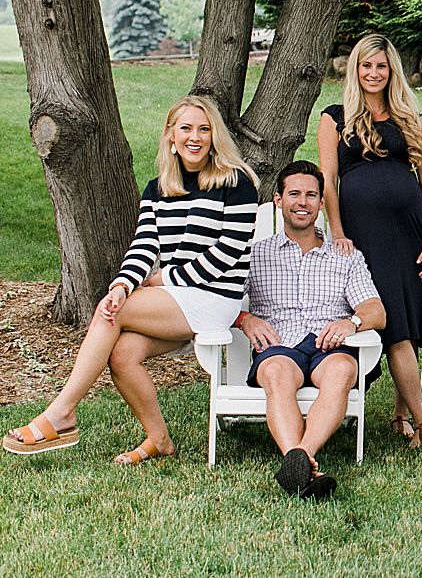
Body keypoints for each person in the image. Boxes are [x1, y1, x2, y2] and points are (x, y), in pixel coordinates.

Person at [4, 95, 258, 463]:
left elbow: (227, 253)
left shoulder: (236, 183)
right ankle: (159, 440)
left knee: (114, 313)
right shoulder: (158, 189)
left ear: (214, 136)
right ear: (171, 135)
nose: (195, 137)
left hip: (215, 298)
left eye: (204, 129)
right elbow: (143, 246)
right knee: (122, 354)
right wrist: (123, 284)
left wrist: (163, 279)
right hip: (174, 300)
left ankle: (61, 413)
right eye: (185, 128)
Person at [318, 33, 422, 449]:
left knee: (405, 318)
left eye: (381, 66)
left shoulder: (408, 115)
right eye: (366, 66)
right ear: (355, 70)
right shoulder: (335, 117)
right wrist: (337, 232)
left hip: (410, 230)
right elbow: (329, 183)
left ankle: (400, 413)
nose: (374, 73)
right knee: (394, 327)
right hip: (364, 232)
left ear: (391, 71)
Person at [235, 160, 387, 500]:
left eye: (310, 195)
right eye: (294, 194)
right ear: (278, 200)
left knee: (343, 370)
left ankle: (298, 459)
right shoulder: (255, 255)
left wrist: (352, 322)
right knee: (276, 374)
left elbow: (376, 311)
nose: (302, 202)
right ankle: (303, 466)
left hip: (327, 344)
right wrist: (245, 320)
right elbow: (218, 300)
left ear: (321, 203)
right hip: (280, 345)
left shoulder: (344, 255)